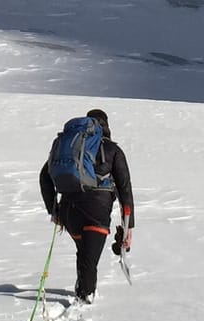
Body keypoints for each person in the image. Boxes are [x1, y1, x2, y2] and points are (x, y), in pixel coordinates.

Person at [38, 107, 134, 304]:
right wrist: (128, 226)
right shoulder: (113, 150)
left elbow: (44, 177)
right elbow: (125, 189)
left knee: (84, 253)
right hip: (96, 212)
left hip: (68, 210)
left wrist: (54, 210)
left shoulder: (71, 146)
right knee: (89, 258)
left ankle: (83, 289)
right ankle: (85, 301)